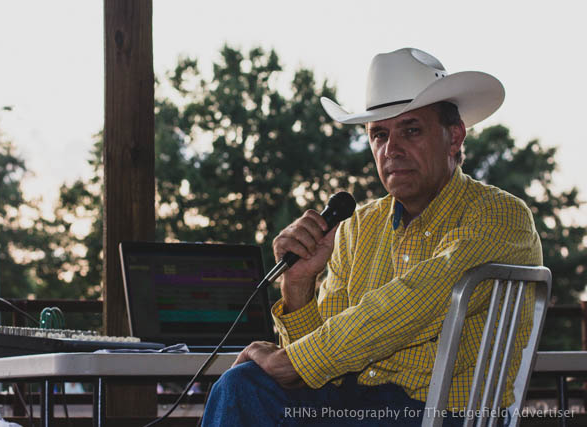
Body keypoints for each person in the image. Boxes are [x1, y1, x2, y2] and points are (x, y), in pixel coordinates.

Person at [201, 48, 542, 426]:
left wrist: (291, 361)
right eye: (379, 134)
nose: (391, 149)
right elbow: (319, 363)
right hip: (357, 406)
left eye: (411, 130)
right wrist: (297, 286)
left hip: (444, 413)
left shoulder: (499, 215)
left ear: (454, 137)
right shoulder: (359, 226)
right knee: (242, 384)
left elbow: (415, 301)